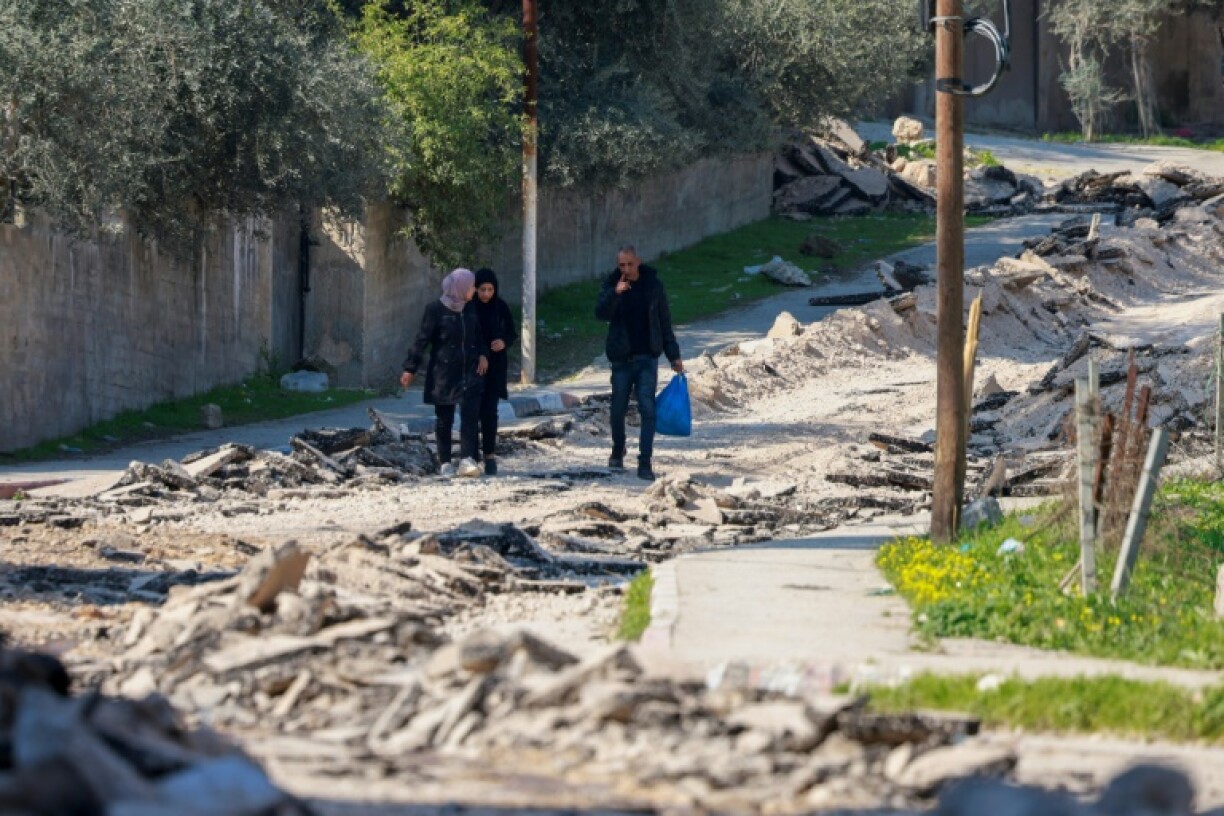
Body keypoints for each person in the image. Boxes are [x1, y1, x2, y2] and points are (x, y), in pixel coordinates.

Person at [594, 245, 683, 482]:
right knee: (617, 408)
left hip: (647, 358)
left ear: (638, 262)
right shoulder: (612, 284)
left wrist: (673, 355)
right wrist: (616, 293)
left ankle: (645, 461)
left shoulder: (653, 285)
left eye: (629, 264)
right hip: (622, 359)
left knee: (647, 408)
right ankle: (618, 448)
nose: (625, 269)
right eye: (621, 265)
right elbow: (600, 313)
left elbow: (664, 322)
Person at [400, 268, 489, 478]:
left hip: (470, 371)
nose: (474, 290)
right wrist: (409, 368)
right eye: (470, 286)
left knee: (470, 417)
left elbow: (479, 336)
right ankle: (445, 462)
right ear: (459, 287)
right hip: (444, 373)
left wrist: (484, 354)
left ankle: (467, 460)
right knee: (444, 419)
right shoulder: (435, 310)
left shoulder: (470, 309)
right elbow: (421, 340)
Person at [472, 267, 516, 476]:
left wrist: (503, 342)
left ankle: (489, 455)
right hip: (474, 366)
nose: (486, 294)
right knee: (472, 412)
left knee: (490, 412)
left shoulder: (501, 307)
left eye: (490, 290)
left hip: (496, 366)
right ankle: (470, 455)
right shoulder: (469, 308)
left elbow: (512, 333)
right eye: (482, 289)